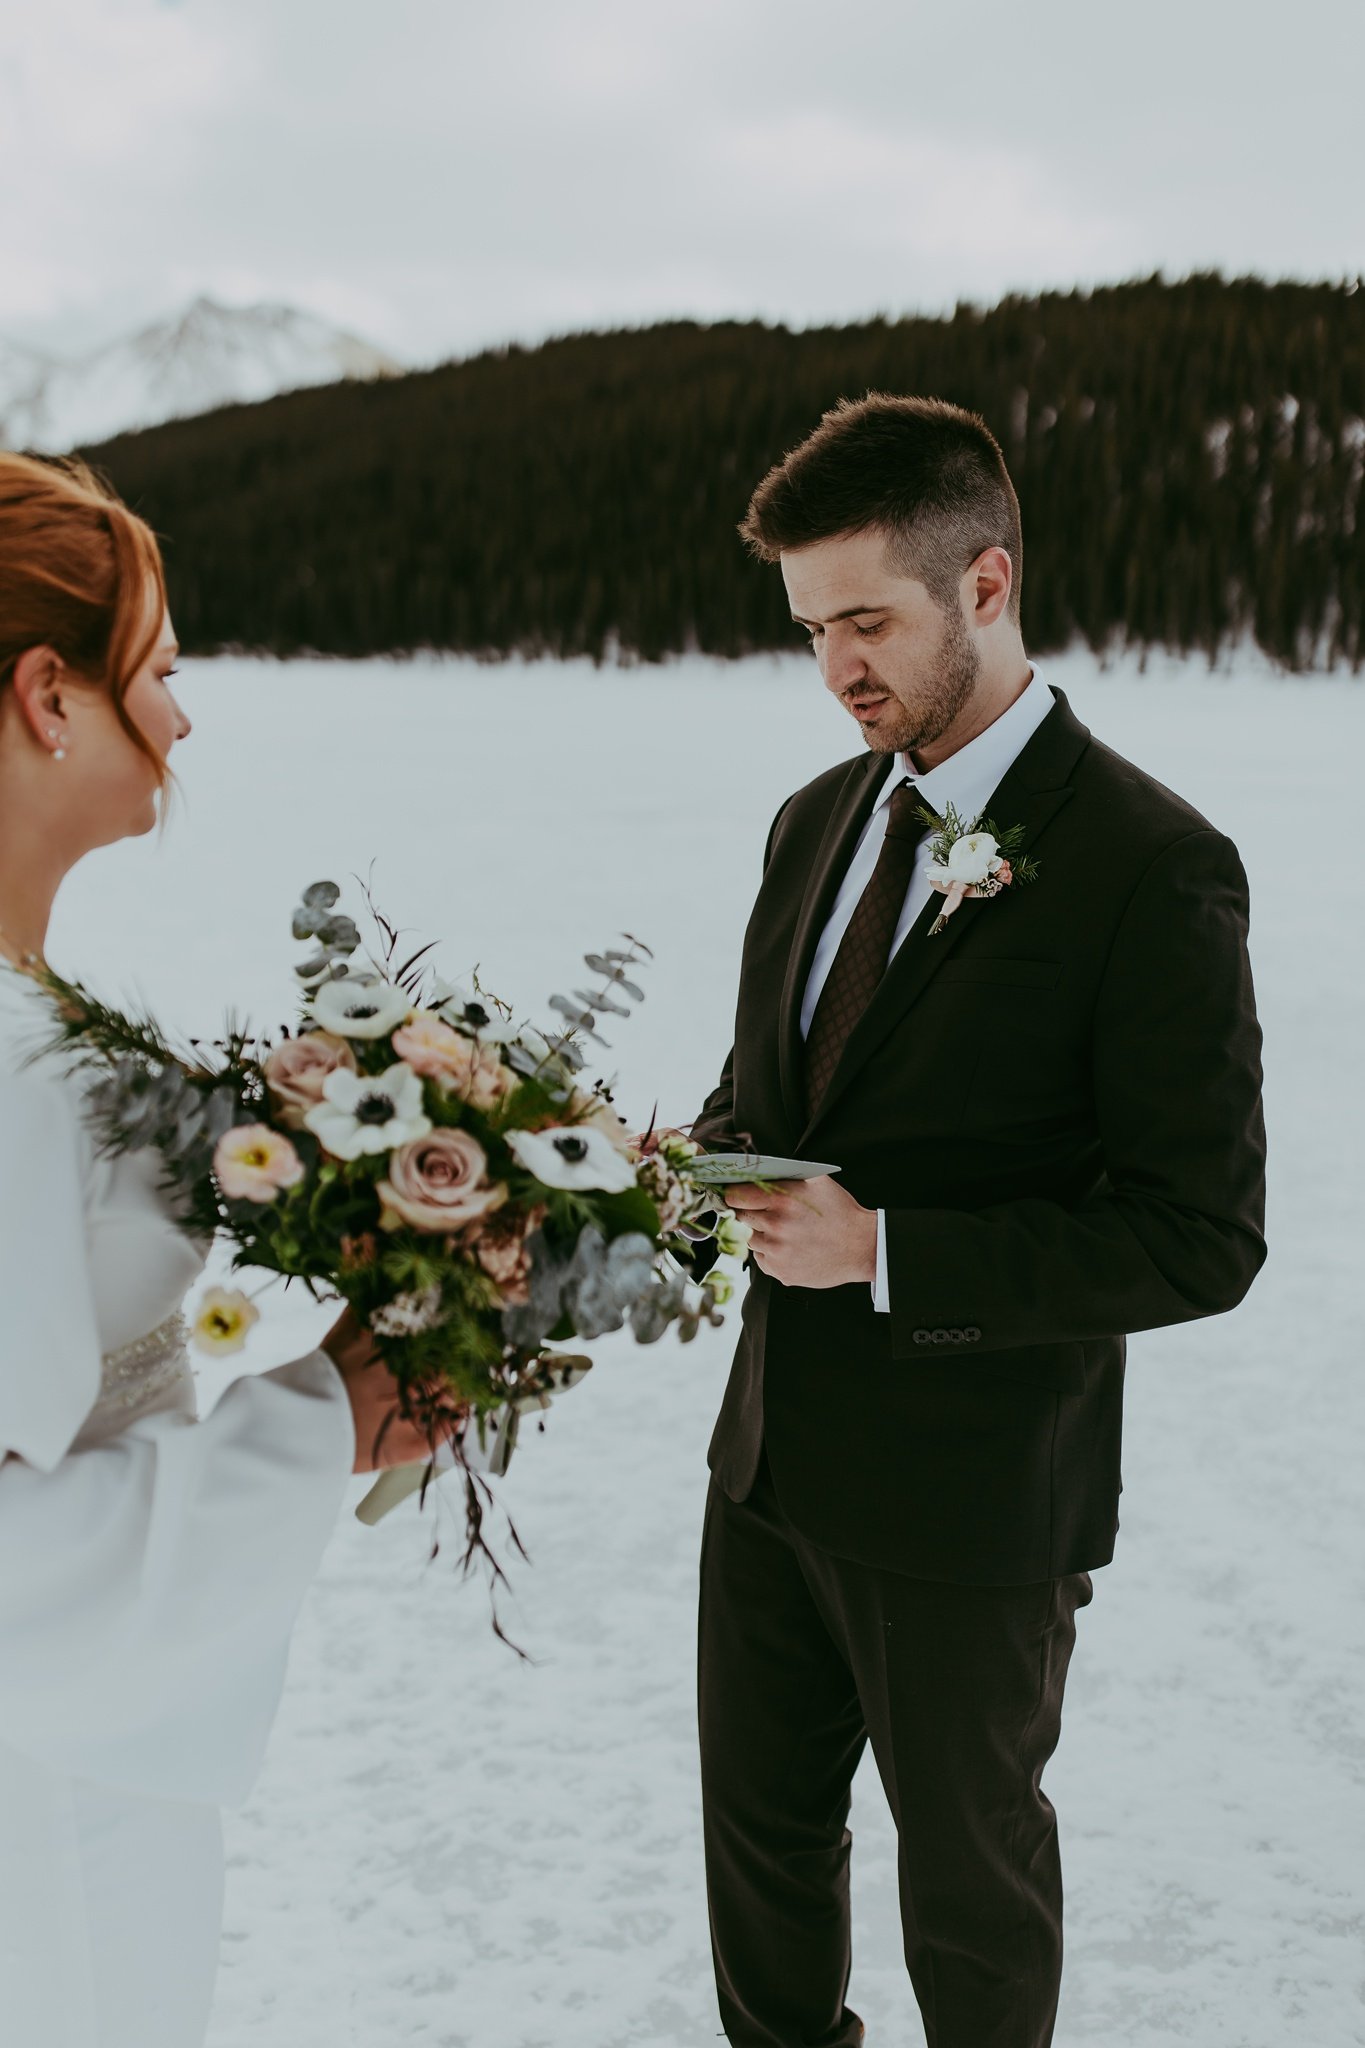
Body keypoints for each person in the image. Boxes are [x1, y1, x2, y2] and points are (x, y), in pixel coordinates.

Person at [691, 396, 1267, 2048]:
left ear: (987, 582)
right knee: (762, 1862)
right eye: (809, 630)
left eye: (865, 622)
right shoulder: (814, 819)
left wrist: (889, 1252)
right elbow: (777, 1100)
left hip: (973, 1499)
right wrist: (688, 1163)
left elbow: (1197, 1235)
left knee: (968, 1889)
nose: (834, 671)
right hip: (768, 1464)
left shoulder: (1153, 866)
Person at [0, 452, 437, 2047]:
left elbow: (58, 1374)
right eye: (161, 670)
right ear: (51, 696)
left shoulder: (38, 1018)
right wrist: (327, 1419)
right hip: (37, 1833)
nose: (182, 719)